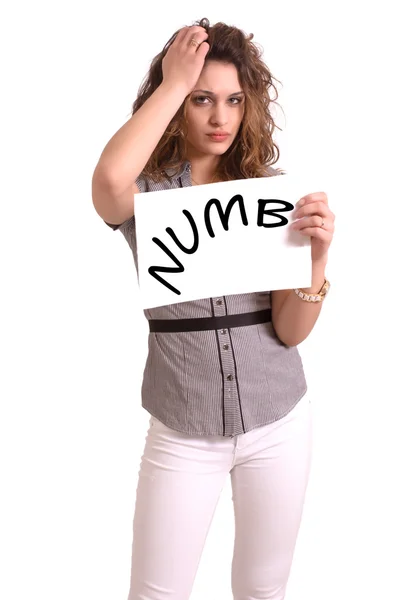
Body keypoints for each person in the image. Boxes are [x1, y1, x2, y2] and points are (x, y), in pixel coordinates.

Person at [92, 17, 335, 600]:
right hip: (183, 426)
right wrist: (173, 84)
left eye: (232, 100)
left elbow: (290, 332)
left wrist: (318, 261)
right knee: (156, 593)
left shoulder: (269, 193)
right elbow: (106, 182)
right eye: (202, 99)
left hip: (279, 420)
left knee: (263, 590)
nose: (220, 117)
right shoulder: (147, 195)